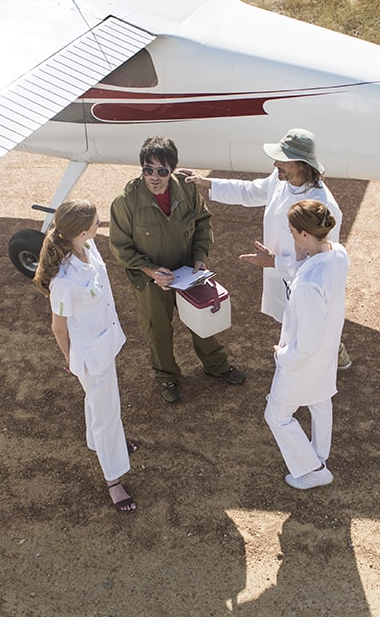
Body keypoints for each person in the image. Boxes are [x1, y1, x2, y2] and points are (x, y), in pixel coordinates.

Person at [184, 128, 351, 369]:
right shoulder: (280, 179)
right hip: (282, 273)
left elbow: (322, 261)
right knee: (294, 318)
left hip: (305, 279)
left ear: (302, 164)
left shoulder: (322, 205)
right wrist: (206, 182)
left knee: (310, 320)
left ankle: (324, 360)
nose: (275, 163)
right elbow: (250, 191)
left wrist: (275, 262)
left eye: (282, 159)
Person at [109, 136, 246, 404]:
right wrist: (150, 271)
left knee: (202, 321)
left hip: (188, 275)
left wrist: (199, 257)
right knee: (158, 330)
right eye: (148, 170)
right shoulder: (125, 202)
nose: (154, 177)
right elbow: (120, 247)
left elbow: (203, 221)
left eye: (162, 171)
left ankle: (216, 366)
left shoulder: (186, 189)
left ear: (173, 169)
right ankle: (167, 377)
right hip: (151, 282)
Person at [34, 199, 137, 512]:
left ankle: (105, 445)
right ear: (80, 231)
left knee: (99, 403)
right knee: (107, 415)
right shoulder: (63, 281)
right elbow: (58, 328)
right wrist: (70, 361)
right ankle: (113, 481)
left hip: (104, 343)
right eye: (95, 222)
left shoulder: (89, 249)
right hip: (91, 357)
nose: (98, 224)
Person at [265, 199, 350, 489]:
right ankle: (319, 456)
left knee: (276, 415)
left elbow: (308, 342)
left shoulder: (308, 284)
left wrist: (283, 357)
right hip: (325, 355)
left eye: (291, 231)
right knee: (320, 401)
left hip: (304, 361)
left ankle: (314, 469)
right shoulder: (338, 254)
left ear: (304, 234)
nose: (290, 235)